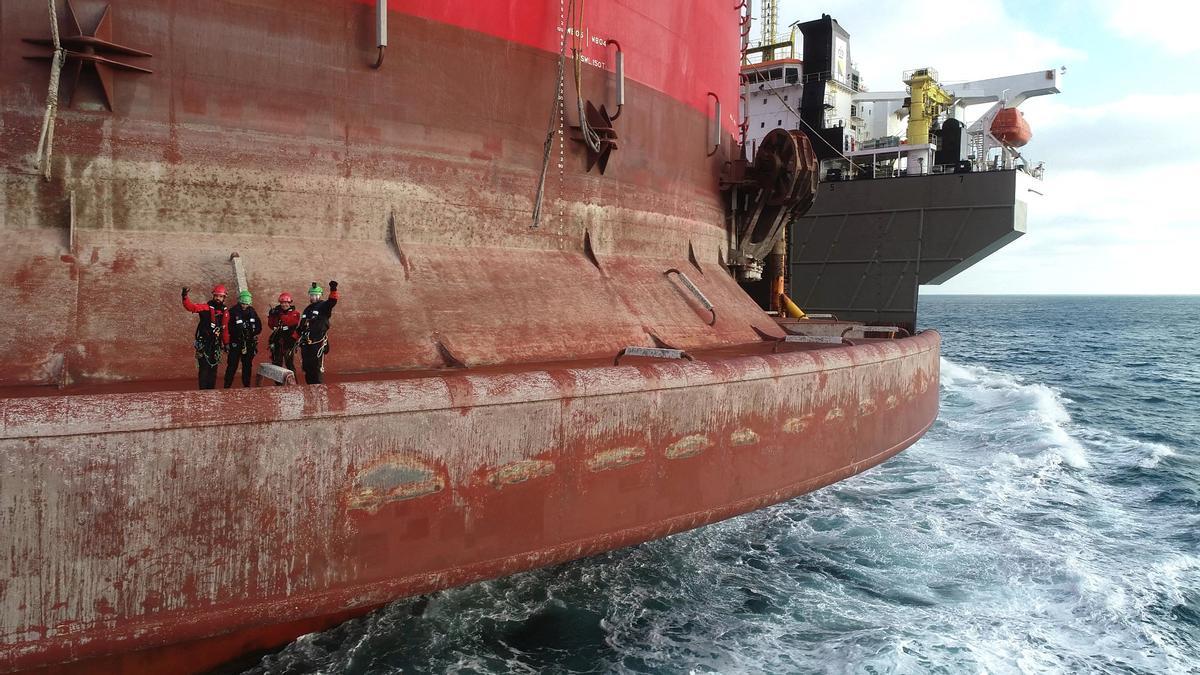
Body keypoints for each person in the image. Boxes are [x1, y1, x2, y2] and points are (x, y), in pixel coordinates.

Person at [181, 284, 229, 390]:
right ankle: (202, 392)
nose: (218, 298)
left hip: (216, 345)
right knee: (204, 369)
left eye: (220, 296)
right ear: (213, 296)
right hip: (205, 344)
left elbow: (225, 330)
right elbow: (191, 307)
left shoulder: (225, 312)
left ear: (224, 297)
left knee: (213, 369)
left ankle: (211, 391)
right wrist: (185, 297)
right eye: (216, 296)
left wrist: (226, 343)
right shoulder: (206, 308)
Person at [297, 280, 339, 384]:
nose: (313, 297)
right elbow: (301, 326)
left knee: (316, 368)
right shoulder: (307, 309)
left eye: (316, 295)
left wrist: (333, 289)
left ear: (320, 295)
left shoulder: (324, 306)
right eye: (311, 295)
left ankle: (319, 390)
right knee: (307, 367)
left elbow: (332, 301)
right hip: (306, 343)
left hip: (317, 342)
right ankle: (310, 389)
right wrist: (293, 339)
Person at [224, 290, 262, 388]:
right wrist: (237, 332)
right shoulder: (233, 311)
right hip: (236, 342)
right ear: (240, 301)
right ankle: (227, 386)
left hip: (249, 343)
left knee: (247, 365)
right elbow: (228, 327)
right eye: (243, 303)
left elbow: (258, 326)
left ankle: (246, 385)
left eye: (246, 303)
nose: (244, 305)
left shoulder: (252, 311)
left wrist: (252, 332)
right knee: (232, 365)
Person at [267, 291, 301, 384]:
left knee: (289, 363)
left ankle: (294, 384)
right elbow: (271, 325)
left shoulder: (295, 313)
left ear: (290, 303)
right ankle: (278, 384)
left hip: (289, 342)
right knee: (277, 363)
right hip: (277, 341)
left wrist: (279, 314)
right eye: (282, 303)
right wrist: (271, 315)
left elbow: (289, 322)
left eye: (286, 303)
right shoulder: (278, 312)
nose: (284, 305)